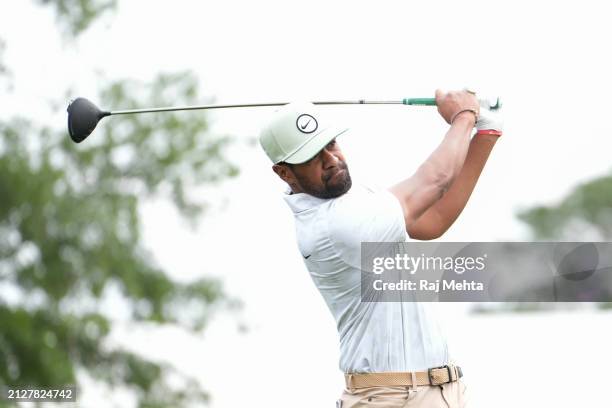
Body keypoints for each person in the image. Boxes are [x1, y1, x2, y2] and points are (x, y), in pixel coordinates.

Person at [259, 90, 502, 408]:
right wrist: (462, 117)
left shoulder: (355, 200)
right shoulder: (334, 224)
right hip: (391, 398)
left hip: (441, 391)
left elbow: (432, 220)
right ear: (284, 172)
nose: (331, 160)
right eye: (311, 157)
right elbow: (435, 181)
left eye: (330, 144)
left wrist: (484, 132)